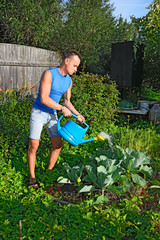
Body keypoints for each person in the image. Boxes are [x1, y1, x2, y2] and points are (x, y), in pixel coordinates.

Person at [27, 49, 85, 189]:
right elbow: (44, 98)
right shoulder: (49, 74)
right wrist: (61, 109)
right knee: (34, 146)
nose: (76, 69)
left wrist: (78, 115)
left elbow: (67, 102)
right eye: (75, 65)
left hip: (53, 114)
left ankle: (49, 173)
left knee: (57, 145)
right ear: (66, 61)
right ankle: (32, 178)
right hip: (39, 112)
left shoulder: (69, 81)